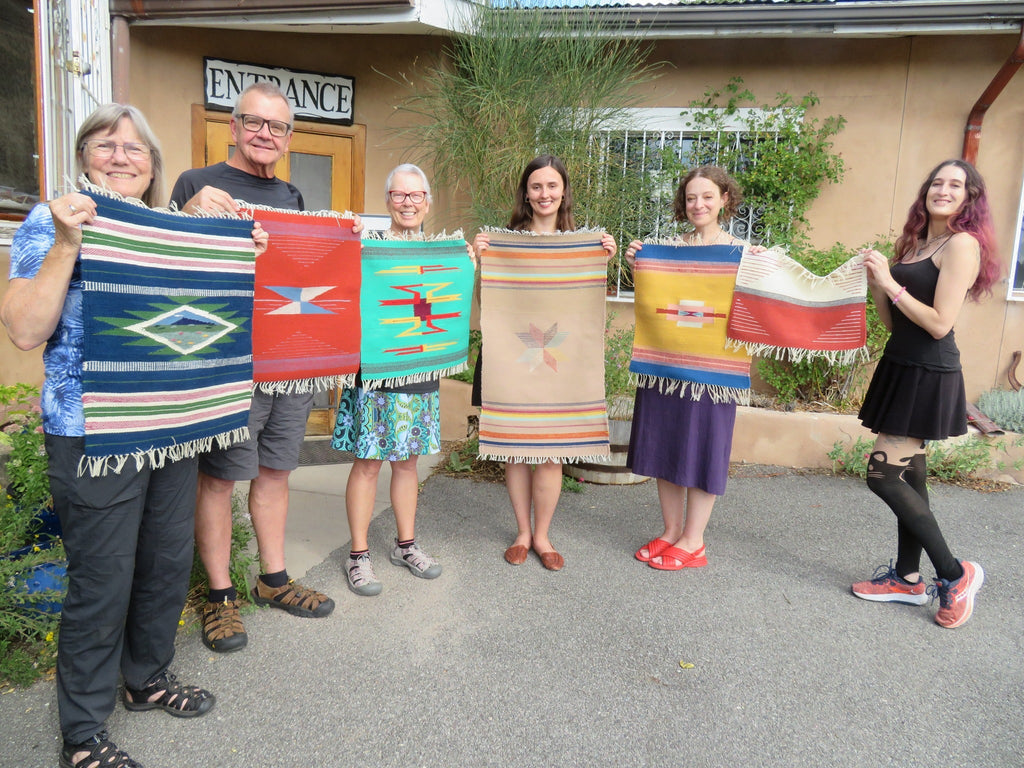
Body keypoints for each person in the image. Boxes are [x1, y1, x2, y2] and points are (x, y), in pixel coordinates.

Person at [1, 104, 251, 768]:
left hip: (171, 429)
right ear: (83, 155)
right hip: (92, 433)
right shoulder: (50, 223)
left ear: (152, 165)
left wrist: (234, 250)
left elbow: (206, 313)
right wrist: (65, 244)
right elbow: (25, 330)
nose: (121, 155)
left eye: (136, 147)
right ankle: (81, 735)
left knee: (166, 567)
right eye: (106, 144)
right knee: (102, 583)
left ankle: (145, 681)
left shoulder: (168, 229)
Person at [169, 82, 335, 653]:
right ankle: (218, 597)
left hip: (289, 360)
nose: (267, 134)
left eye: (279, 127)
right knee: (217, 477)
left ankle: (273, 579)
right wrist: (187, 215)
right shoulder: (197, 184)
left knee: (276, 472)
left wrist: (345, 244)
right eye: (255, 123)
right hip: (229, 361)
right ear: (234, 127)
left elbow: (305, 273)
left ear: (288, 138)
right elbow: (173, 265)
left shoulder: (292, 195)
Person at [852, 158, 999, 629]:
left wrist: (892, 283)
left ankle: (955, 575)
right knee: (910, 476)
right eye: (937, 182)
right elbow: (893, 321)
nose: (944, 189)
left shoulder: (962, 244)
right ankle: (906, 578)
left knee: (882, 476)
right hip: (901, 362)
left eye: (956, 185)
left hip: (928, 371)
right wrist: (878, 283)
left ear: (969, 197)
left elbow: (938, 323)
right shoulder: (917, 242)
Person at [473, 155, 617, 571]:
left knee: (552, 452)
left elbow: (584, 310)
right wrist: (483, 262)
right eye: (536, 187)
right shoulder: (503, 243)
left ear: (564, 191)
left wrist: (600, 263)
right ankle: (521, 532)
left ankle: (543, 536)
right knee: (516, 450)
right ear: (526, 193)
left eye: (552, 186)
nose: (545, 194)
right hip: (511, 358)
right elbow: (490, 308)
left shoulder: (584, 244)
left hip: (563, 361)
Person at [336, 163, 472, 595]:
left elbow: (454, 297)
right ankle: (358, 556)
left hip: (417, 368)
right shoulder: (369, 247)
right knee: (368, 463)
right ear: (388, 201)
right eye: (399, 195)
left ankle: (406, 545)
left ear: (427, 203)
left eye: (415, 196)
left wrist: (468, 262)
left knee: (408, 462)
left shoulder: (443, 255)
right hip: (375, 372)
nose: (408, 203)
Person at [624, 166, 749, 571]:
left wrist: (760, 267)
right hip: (665, 367)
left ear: (724, 199)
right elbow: (654, 302)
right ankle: (670, 531)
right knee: (664, 446)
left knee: (703, 450)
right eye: (691, 197)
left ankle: (694, 541)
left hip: (713, 375)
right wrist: (637, 265)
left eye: (708, 196)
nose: (699, 205)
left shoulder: (741, 254)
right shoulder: (669, 251)